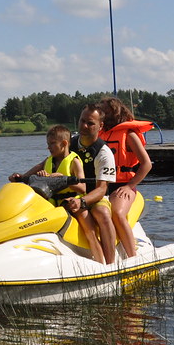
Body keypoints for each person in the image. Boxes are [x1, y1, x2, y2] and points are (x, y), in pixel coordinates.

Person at [9, 125, 106, 263]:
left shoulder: (74, 161)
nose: (49, 147)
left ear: (64, 143)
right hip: (52, 203)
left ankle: (101, 262)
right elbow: (36, 168)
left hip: (74, 203)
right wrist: (21, 176)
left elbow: (83, 188)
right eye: (48, 144)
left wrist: (63, 179)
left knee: (89, 231)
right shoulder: (49, 161)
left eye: (52, 144)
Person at [98, 97, 154, 259]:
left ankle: (132, 256)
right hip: (103, 184)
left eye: (106, 112)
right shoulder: (99, 135)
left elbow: (146, 164)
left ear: (116, 112)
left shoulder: (128, 134)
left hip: (123, 185)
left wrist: (130, 186)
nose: (103, 115)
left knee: (117, 213)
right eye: (101, 112)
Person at [68, 104, 119, 263]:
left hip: (94, 197)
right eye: (82, 121)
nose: (84, 126)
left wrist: (81, 201)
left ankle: (110, 264)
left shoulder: (104, 153)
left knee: (102, 214)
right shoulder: (68, 144)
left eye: (90, 123)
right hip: (71, 194)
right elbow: (45, 163)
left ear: (100, 126)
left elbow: (102, 189)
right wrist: (25, 176)